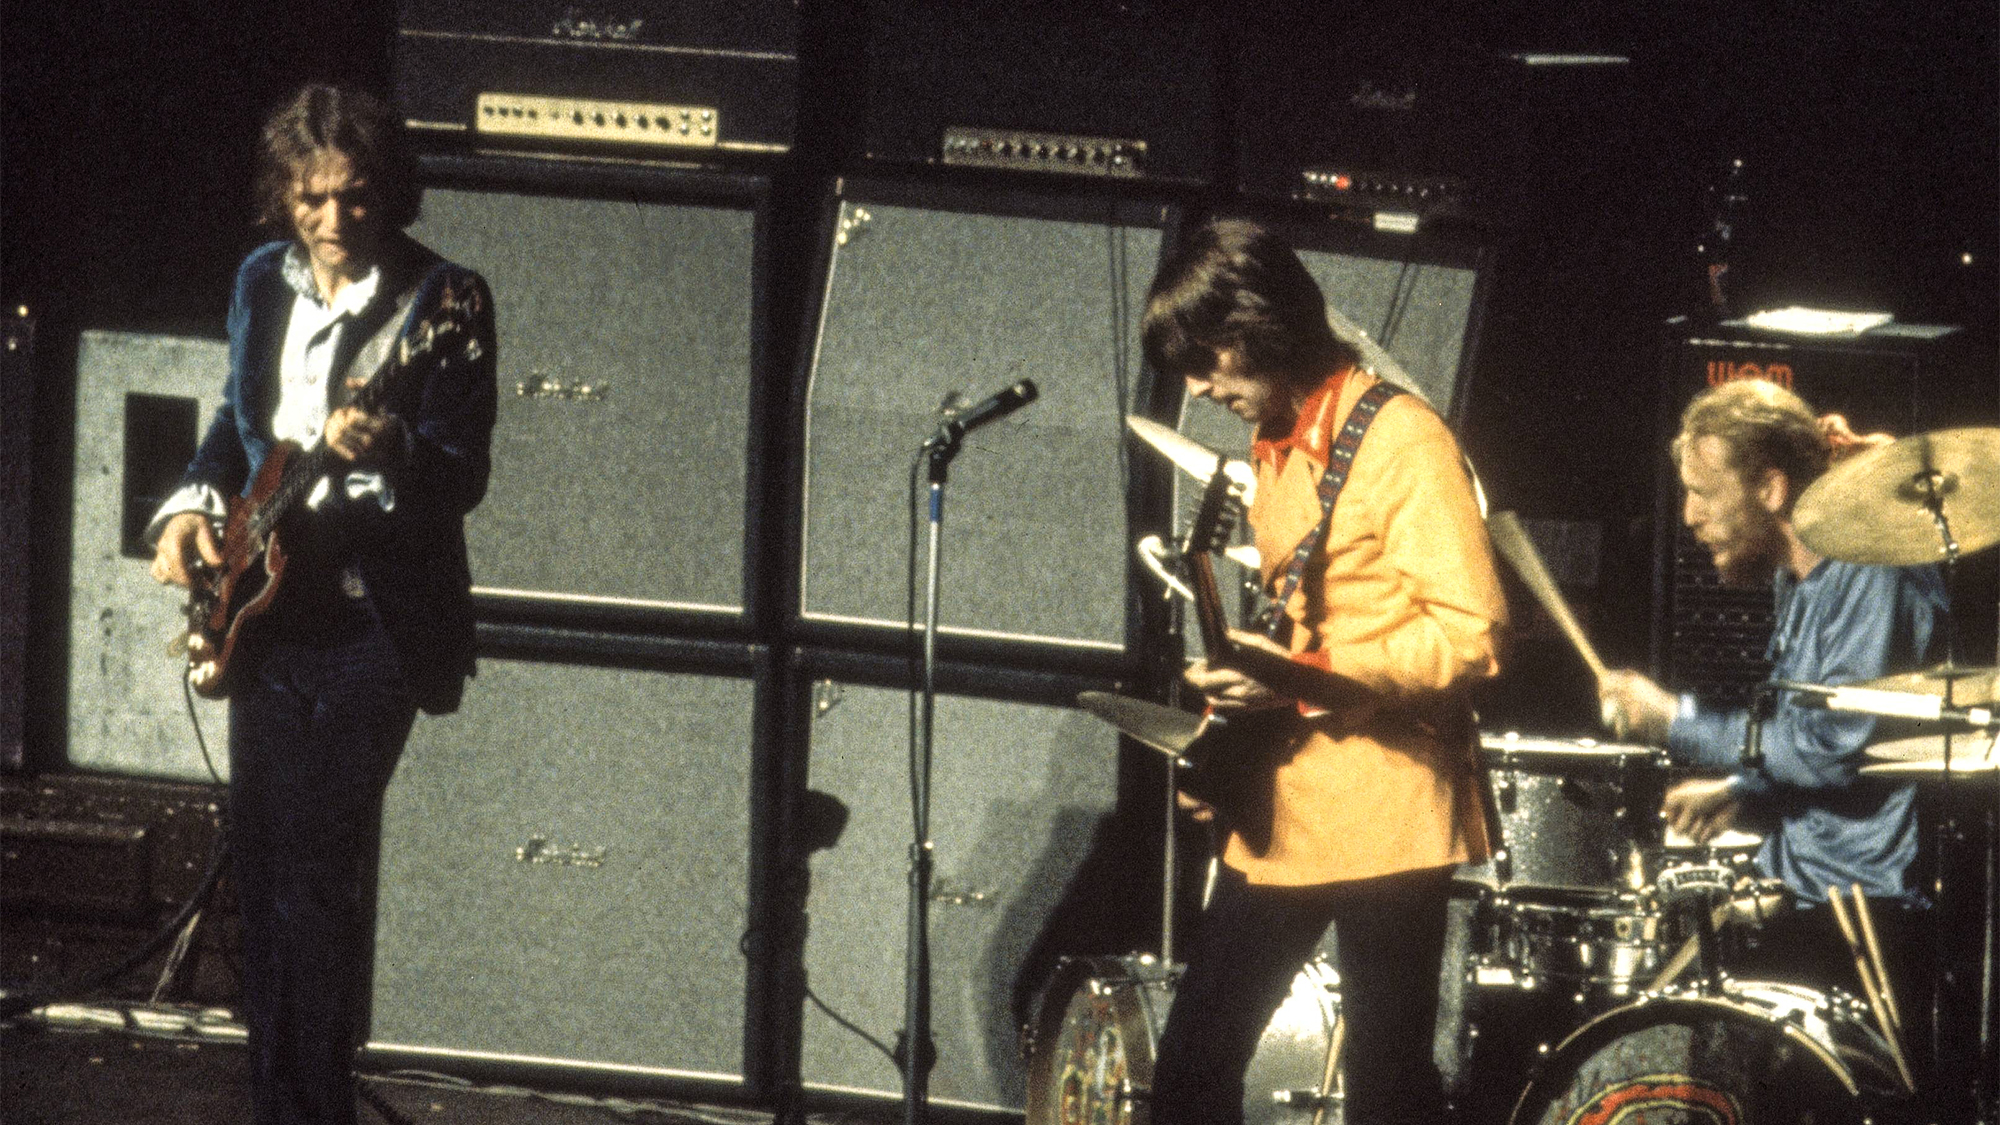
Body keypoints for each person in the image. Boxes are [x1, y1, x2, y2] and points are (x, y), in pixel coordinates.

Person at [147, 84, 497, 1125]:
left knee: (315, 876)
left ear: (387, 196)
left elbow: (462, 473)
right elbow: (235, 429)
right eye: (314, 199)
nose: (335, 222)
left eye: (355, 199)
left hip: (372, 625)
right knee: (264, 876)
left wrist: (389, 450)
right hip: (267, 617)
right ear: (285, 197)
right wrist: (185, 511)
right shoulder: (261, 281)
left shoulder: (444, 301)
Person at [1140, 218, 1505, 1125]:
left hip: (1386, 810)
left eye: (1208, 357)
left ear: (1261, 324)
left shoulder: (1403, 440)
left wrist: (1300, 678)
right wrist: (1233, 719)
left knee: (1387, 1090)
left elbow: (1471, 635)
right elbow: (1301, 624)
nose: (1198, 385)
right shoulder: (1277, 441)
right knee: (1189, 1072)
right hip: (1287, 799)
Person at [1598, 379, 1945, 1044]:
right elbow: (1811, 730)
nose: (1691, 515)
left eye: (1704, 491)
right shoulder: (1798, 576)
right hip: (1808, 880)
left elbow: (1834, 744)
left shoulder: (1871, 568)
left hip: (1863, 907)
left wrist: (1671, 718)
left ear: (1772, 489)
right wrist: (1744, 787)